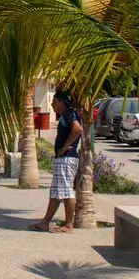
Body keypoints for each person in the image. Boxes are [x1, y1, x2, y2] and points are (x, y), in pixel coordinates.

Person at [29, 90, 83, 233]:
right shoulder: (66, 115)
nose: (52, 104)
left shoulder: (69, 113)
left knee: (66, 191)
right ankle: (45, 222)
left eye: (54, 101)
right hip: (62, 158)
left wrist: (65, 146)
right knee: (56, 192)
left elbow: (77, 129)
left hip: (67, 157)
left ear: (61, 102)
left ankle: (69, 225)